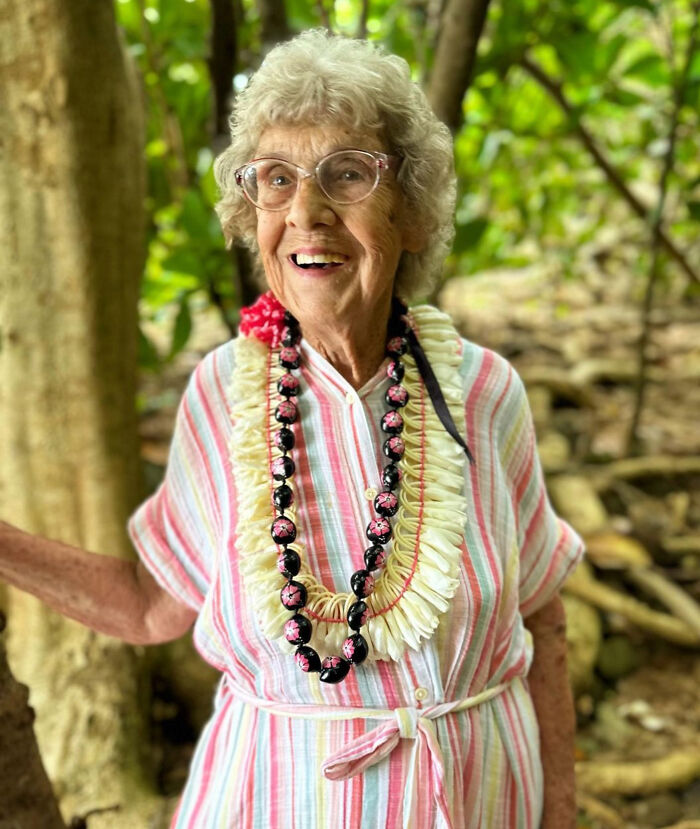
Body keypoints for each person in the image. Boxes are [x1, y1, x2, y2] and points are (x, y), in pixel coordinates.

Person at [0, 30, 584, 829]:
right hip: (277, 801)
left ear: (409, 212)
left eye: (347, 174)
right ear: (252, 217)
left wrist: (561, 814)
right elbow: (147, 607)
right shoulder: (222, 396)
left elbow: (543, 615)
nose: (307, 211)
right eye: (276, 180)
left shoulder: (486, 391)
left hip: (482, 798)